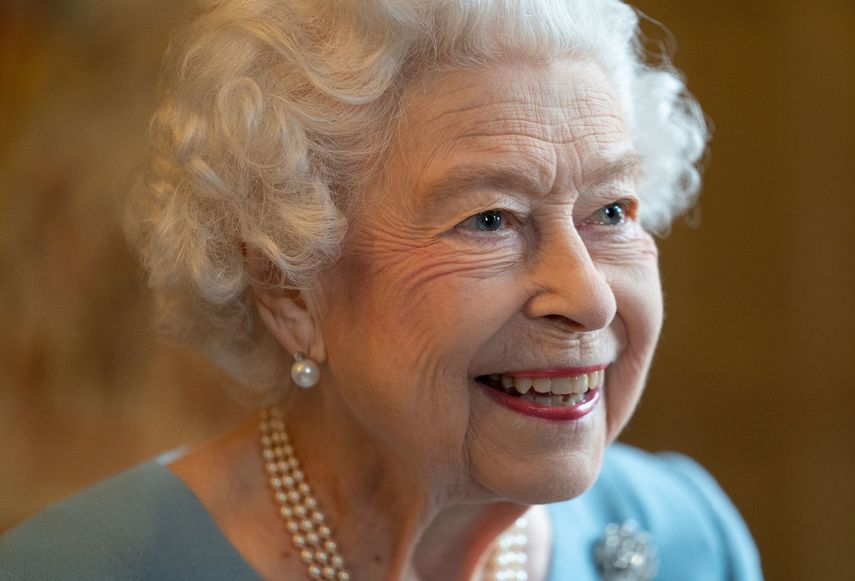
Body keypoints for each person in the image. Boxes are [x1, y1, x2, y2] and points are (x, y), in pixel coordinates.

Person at [0, 0, 762, 579]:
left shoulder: (689, 534)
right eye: (489, 219)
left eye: (611, 211)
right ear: (287, 285)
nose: (589, 298)